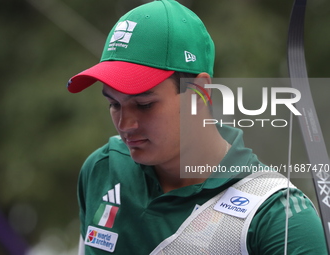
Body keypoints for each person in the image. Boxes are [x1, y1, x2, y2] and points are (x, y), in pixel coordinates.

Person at [67, 0, 327, 254]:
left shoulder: (277, 216)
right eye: (114, 104)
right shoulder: (102, 168)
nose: (125, 125)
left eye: (144, 105)